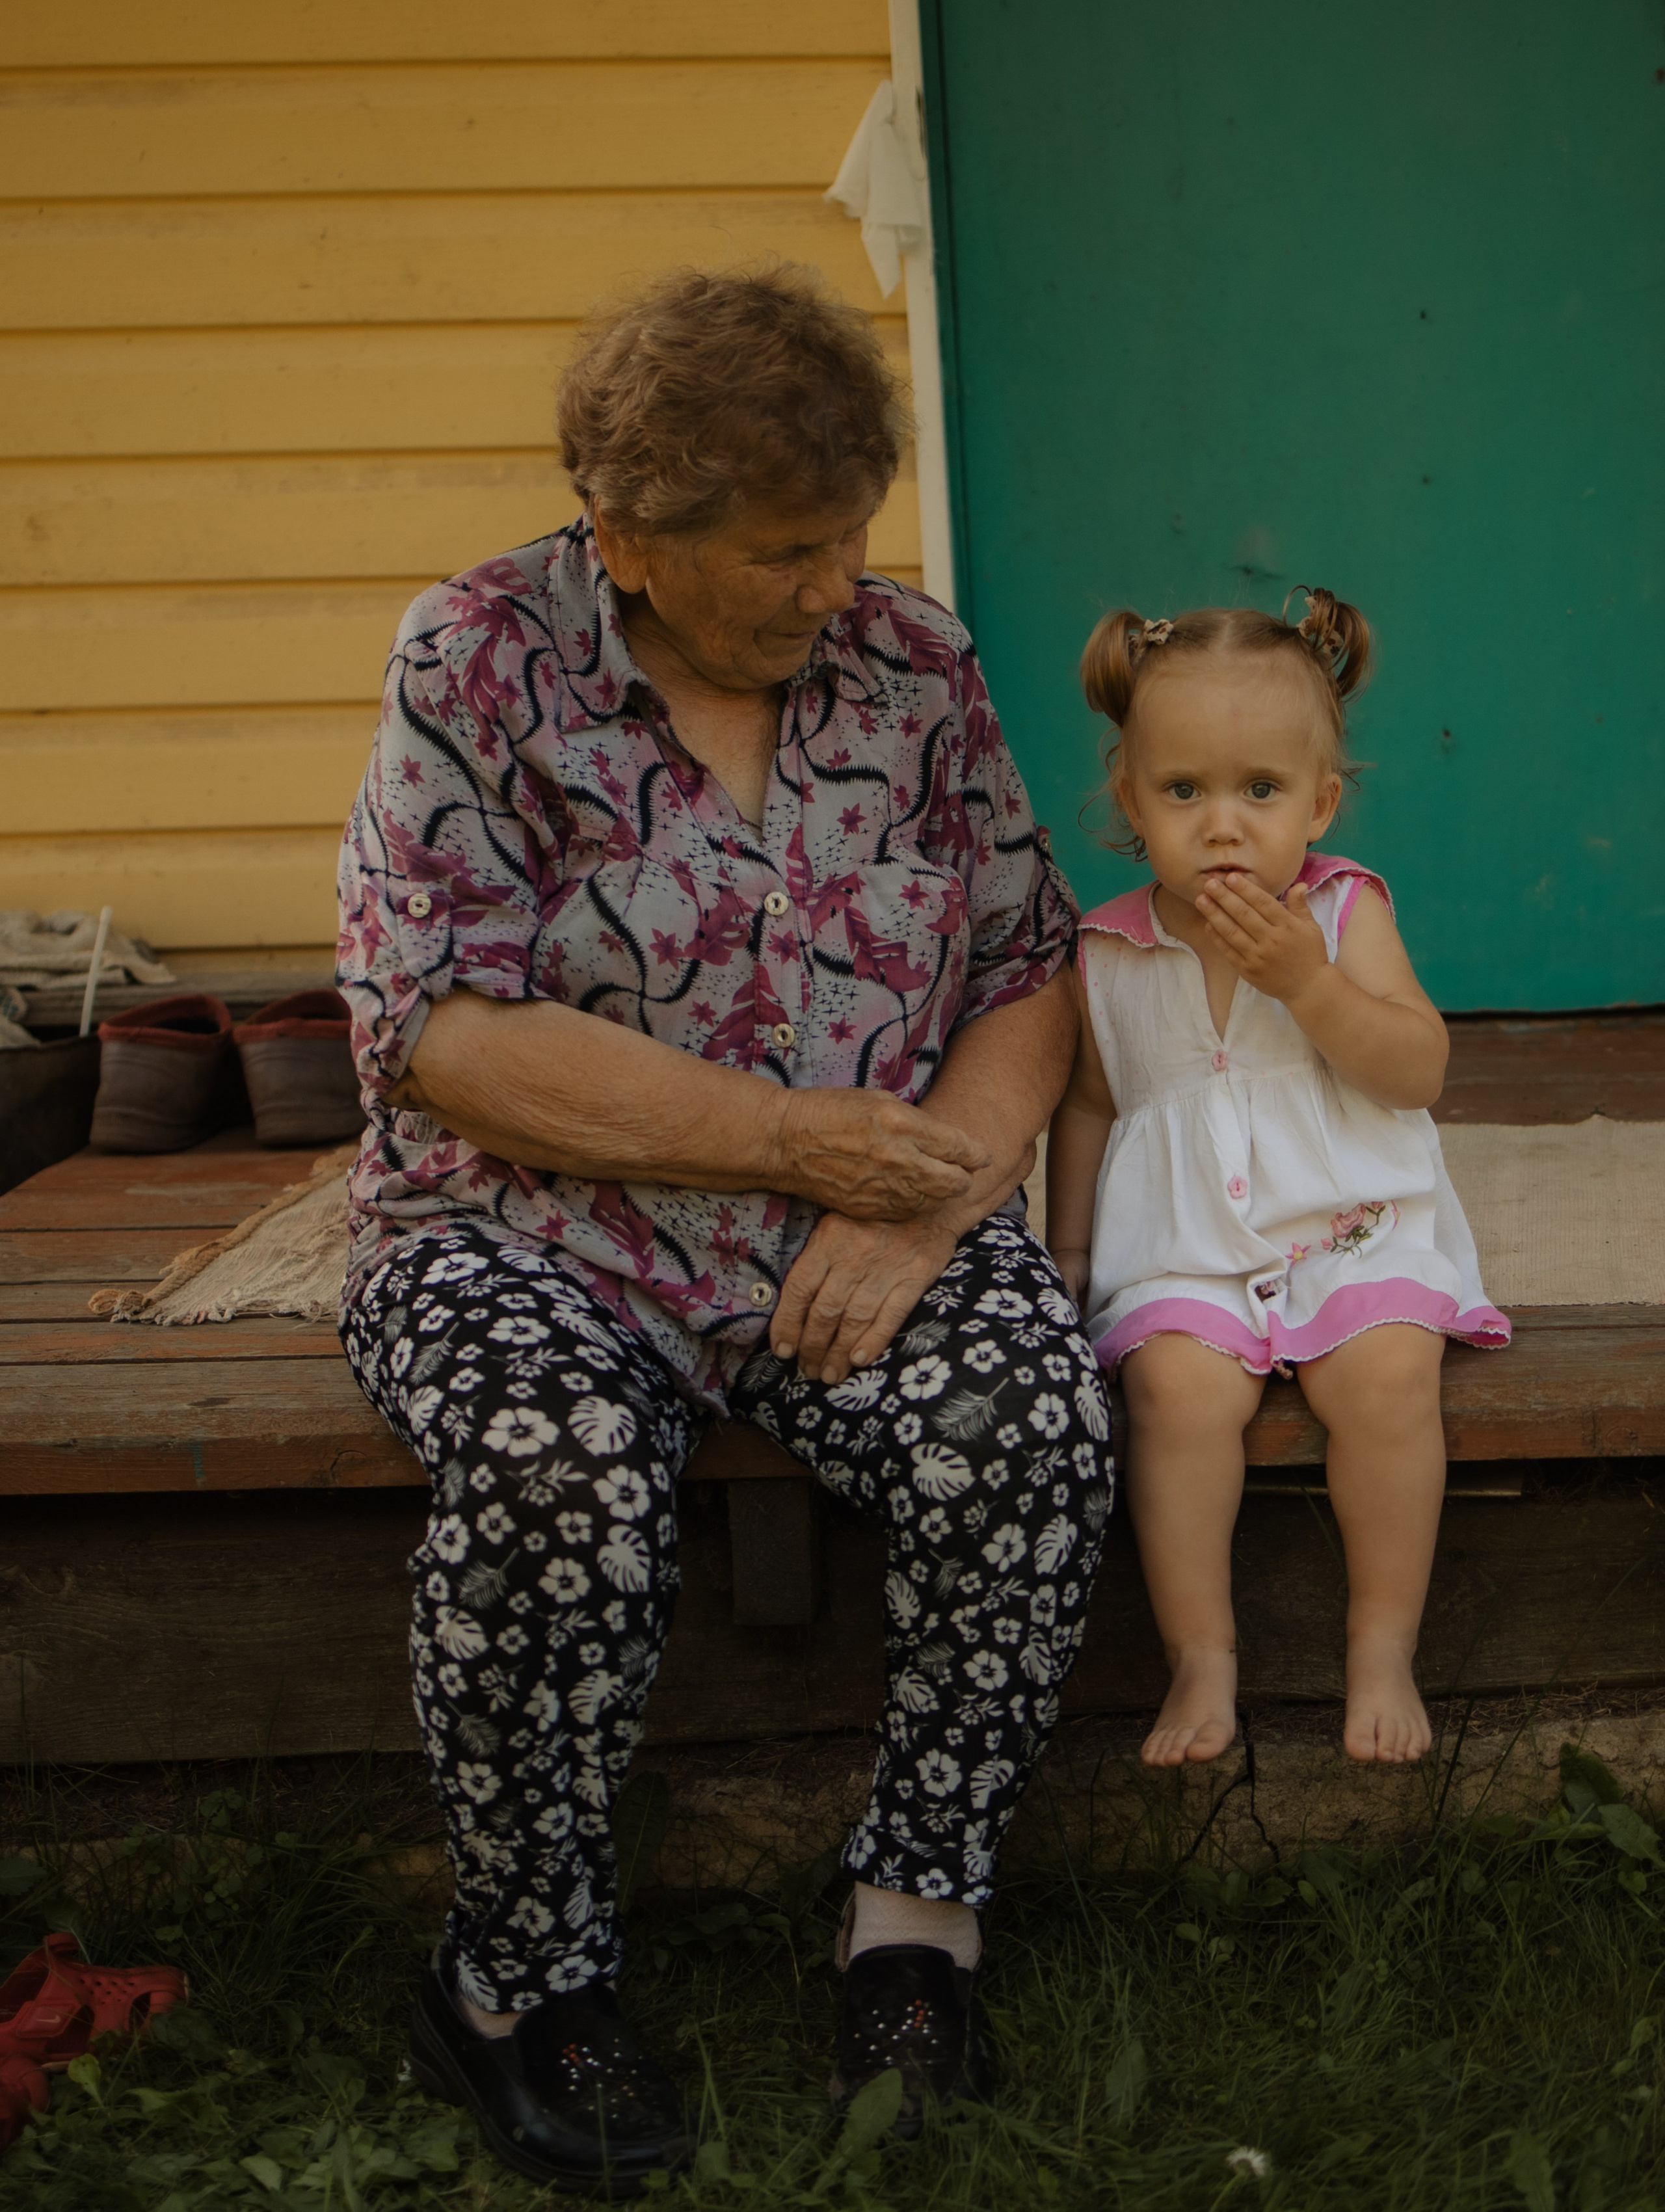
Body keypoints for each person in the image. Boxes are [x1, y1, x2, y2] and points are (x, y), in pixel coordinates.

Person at [335, 265, 1113, 2192]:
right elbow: (439, 1035)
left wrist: (937, 1195)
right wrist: (792, 1144)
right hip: (529, 1229)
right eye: (782, 551)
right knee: (556, 1462)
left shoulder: (913, 664)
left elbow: (1028, 962)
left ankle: (914, 1929)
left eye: (850, 536)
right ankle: (518, 1979)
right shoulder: (474, 661)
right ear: (625, 536)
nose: (833, 586)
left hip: (863, 1213)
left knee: (1028, 1415)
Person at [1046, 592, 1508, 1775]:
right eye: (1183, 791)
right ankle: (1201, 1654)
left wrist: (1311, 984)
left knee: (1390, 1376)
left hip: (1350, 1228)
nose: (1223, 826)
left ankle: (1381, 1644)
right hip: (1189, 1246)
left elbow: (1418, 1069)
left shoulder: (1344, 913)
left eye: (1261, 790)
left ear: (1320, 803)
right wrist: (1072, 1248)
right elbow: (1091, 1104)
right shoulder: (1105, 953)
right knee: (1173, 1398)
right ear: (1130, 799)